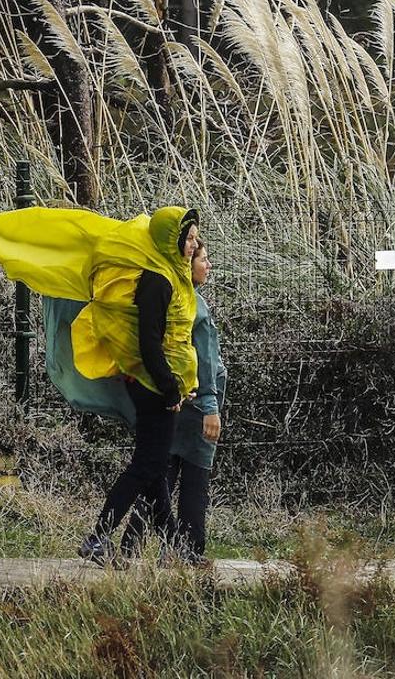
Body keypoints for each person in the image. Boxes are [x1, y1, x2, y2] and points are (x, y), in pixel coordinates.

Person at [0, 204, 201, 566]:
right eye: (188, 238)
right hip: (153, 387)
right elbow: (150, 342)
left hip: (157, 384)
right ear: (169, 240)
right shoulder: (157, 281)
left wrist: (176, 381)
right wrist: (169, 386)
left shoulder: (168, 274)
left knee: (154, 466)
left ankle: (175, 546)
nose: (193, 245)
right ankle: (99, 537)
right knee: (146, 466)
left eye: (194, 238)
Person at [120, 239, 225, 566]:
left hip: (172, 399)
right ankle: (187, 552)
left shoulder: (169, 297)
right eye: (203, 259)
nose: (208, 266)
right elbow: (205, 360)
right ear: (187, 263)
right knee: (196, 474)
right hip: (196, 403)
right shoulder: (195, 305)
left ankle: (130, 548)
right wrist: (211, 407)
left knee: (160, 475)